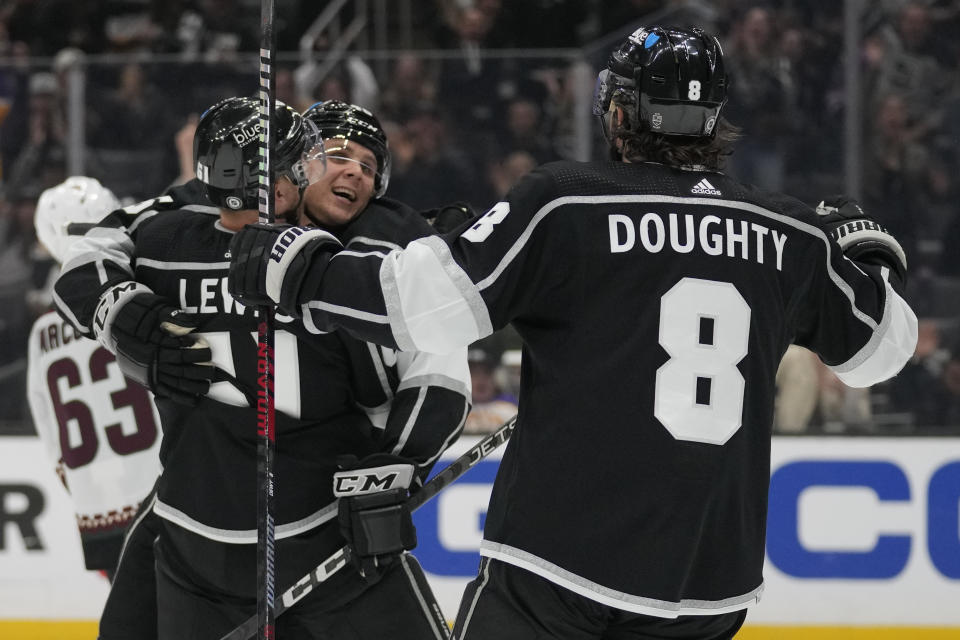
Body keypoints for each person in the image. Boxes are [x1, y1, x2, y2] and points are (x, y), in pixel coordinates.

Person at [227, 25, 919, 640]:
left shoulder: (567, 201)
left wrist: (300, 267)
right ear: (713, 120)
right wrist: (867, 259)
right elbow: (884, 353)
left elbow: (423, 303)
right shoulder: (789, 232)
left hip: (558, 573)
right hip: (710, 589)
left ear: (617, 111)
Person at [55, 96, 468, 639]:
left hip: (209, 526)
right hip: (274, 531)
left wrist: (395, 461)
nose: (352, 172)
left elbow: (89, 253)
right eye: (336, 154)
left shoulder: (169, 240)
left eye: (369, 167)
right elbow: (443, 367)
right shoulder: (372, 255)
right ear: (289, 167)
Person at [27, 176, 160, 585]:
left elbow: (52, 440)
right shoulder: (140, 301)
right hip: (168, 494)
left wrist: (90, 490)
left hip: (98, 514)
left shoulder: (42, 334)